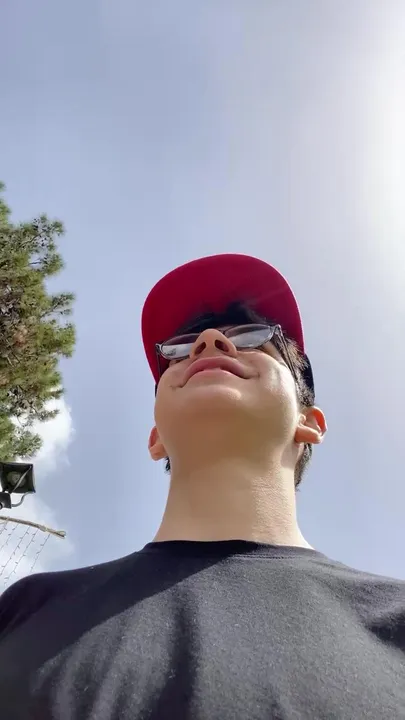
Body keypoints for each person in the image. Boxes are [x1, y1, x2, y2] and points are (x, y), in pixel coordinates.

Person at [0, 253, 404, 720]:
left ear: (309, 421)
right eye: (179, 347)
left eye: (253, 336)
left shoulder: (396, 621)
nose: (208, 342)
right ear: (156, 438)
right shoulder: (27, 611)